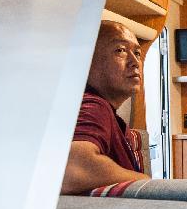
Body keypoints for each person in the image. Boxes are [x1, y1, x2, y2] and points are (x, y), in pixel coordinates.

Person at [61, 20, 150, 194]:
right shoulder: (94, 105)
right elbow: (72, 170)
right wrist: (145, 181)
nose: (135, 62)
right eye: (121, 50)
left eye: (137, 53)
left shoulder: (108, 113)